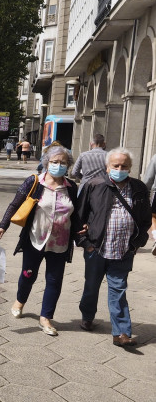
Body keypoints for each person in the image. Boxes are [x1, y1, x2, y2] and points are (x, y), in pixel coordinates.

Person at [0, 145, 83, 336]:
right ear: (47, 163)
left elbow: (75, 216)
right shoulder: (35, 182)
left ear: (68, 165)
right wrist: (2, 225)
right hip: (35, 239)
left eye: (63, 163)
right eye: (54, 162)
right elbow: (15, 204)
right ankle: (20, 300)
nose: (58, 166)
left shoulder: (71, 187)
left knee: (54, 280)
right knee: (28, 274)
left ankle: (46, 318)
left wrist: (81, 236)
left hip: (60, 243)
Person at [76, 148, 151, 347]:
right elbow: (78, 216)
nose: (120, 169)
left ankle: (121, 333)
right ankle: (88, 315)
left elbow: (145, 220)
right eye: (115, 166)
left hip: (124, 250)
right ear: (107, 167)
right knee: (91, 287)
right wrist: (85, 243)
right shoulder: (94, 185)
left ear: (130, 168)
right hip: (97, 249)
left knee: (118, 290)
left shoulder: (139, 188)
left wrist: (137, 244)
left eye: (124, 166)